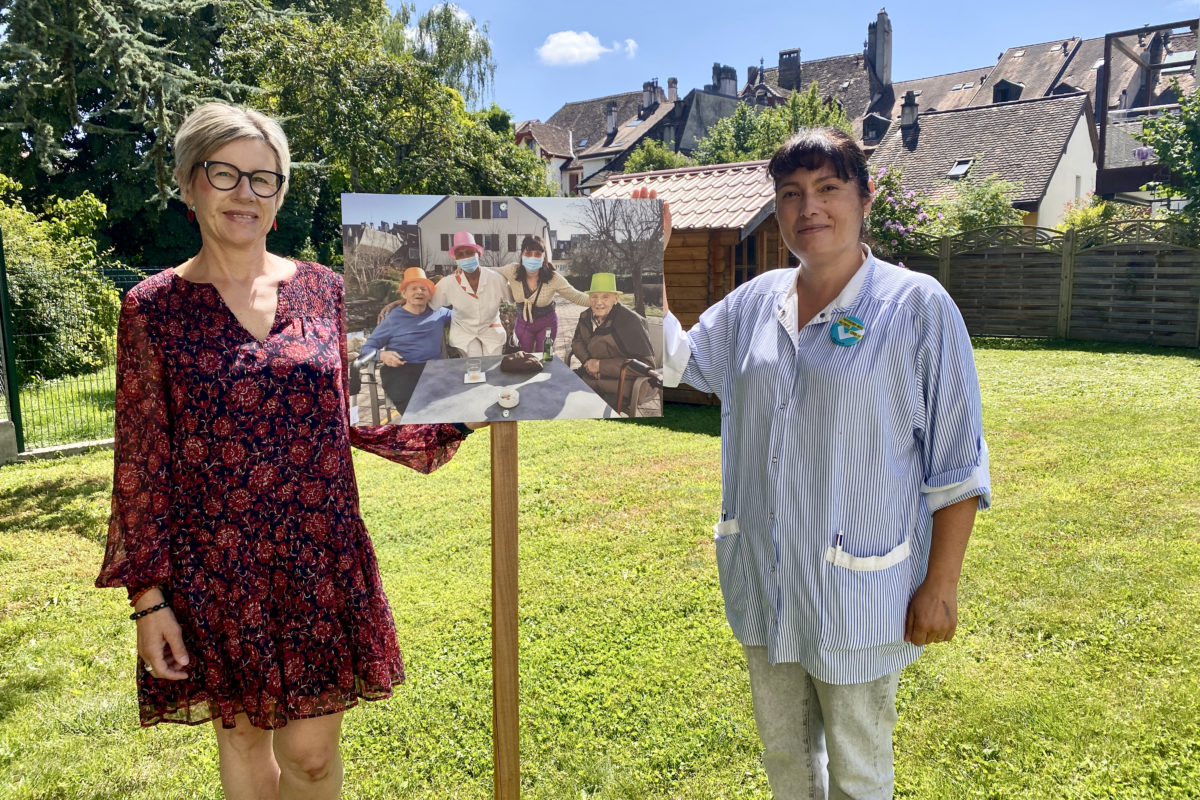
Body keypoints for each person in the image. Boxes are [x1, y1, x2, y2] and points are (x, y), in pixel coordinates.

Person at [95, 103, 480, 800]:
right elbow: (142, 461)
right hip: (216, 565)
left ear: (280, 194)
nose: (246, 194)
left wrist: (473, 410)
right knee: (244, 746)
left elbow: (364, 411)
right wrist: (148, 600)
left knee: (310, 756)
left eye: (264, 179)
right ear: (189, 184)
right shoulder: (152, 308)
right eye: (225, 174)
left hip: (319, 555)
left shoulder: (329, 291)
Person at [652, 127, 991, 799]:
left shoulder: (917, 307)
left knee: (859, 770)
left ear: (865, 199)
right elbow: (675, 362)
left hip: (859, 591)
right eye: (791, 193)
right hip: (765, 579)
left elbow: (956, 460)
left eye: (828, 189)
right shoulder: (756, 302)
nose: (810, 208)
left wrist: (941, 585)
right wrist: (641, 259)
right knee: (786, 760)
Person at [360, 267, 451, 415]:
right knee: (415, 411)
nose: (419, 292)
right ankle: (419, 433)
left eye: (424, 289)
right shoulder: (392, 318)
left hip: (432, 369)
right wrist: (382, 355)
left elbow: (464, 315)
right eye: (413, 288)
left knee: (446, 405)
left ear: (430, 295)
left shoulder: (440, 313)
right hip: (401, 370)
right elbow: (366, 350)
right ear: (404, 293)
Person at [570, 272, 655, 412]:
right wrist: (588, 362)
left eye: (605, 297)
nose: (598, 302)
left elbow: (646, 365)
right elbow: (577, 342)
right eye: (594, 297)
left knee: (587, 410)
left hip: (621, 385)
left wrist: (600, 366)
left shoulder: (629, 322)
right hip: (590, 376)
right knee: (559, 389)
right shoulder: (585, 316)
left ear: (616, 299)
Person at [494, 234, 589, 354]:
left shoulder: (553, 278)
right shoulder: (512, 270)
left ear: (543, 257)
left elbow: (576, 296)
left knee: (545, 357)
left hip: (547, 324)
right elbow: (491, 272)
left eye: (537, 254)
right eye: (528, 253)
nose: (532, 258)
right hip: (523, 323)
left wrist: (599, 301)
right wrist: (466, 269)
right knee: (522, 356)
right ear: (522, 254)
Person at [429, 231, 510, 357]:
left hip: (490, 327)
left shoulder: (496, 279)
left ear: (478, 254)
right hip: (464, 330)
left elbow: (515, 297)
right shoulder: (448, 283)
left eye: (469, 252)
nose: (465, 257)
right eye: (460, 254)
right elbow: (427, 302)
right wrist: (401, 302)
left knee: (492, 361)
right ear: (456, 259)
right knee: (473, 361)